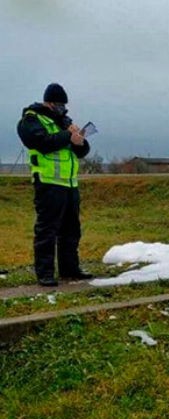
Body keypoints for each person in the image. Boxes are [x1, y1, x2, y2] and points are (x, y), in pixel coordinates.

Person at [17, 83, 92, 287]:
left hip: (69, 183)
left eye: (64, 105)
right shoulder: (31, 119)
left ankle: (70, 269)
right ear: (48, 102)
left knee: (71, 230)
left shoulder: (65, 121)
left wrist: (80, 142)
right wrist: (68, 136)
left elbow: (81, 151)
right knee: (47, 230)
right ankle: (45, 273)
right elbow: (42, 142)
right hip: (48, 183)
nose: (62, 108)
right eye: (58, 104)